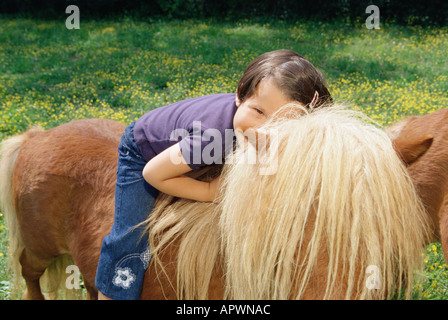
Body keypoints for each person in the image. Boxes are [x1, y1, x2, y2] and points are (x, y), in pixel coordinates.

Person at [95, 49, 332, 300]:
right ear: (240, 94)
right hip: (143, 153)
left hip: (215, 144)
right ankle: (113, 292)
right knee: (131, 236)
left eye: (281, 122)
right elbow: (153, 174)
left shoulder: (252, 127)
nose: (265, 130)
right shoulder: (210, 141)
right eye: (259, 112)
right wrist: (210, 191)